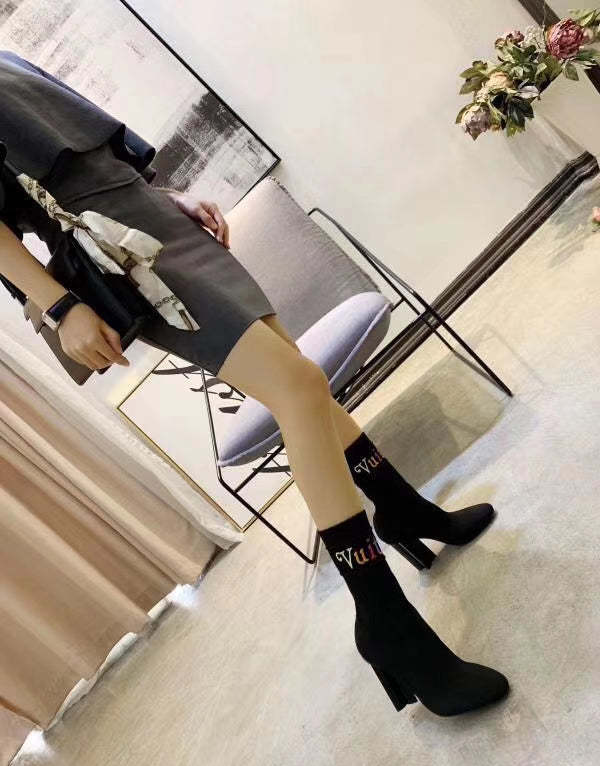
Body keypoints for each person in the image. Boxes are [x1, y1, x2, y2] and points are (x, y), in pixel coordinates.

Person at [0, 50, 509, 717]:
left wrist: (167, 199)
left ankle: (401, 507)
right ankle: (384, 617)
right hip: (114, 245)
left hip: (146, 214)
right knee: (296, 385)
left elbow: (83, 142)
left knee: (299, 379)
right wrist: (60, 305)